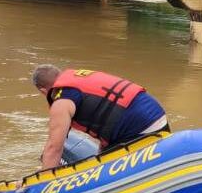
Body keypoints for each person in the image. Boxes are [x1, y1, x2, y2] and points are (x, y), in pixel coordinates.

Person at [31, 65, 170, 169]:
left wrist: (43, 186)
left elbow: (54, 148)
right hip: (159, 118)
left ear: (43, 91)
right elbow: (110, 117)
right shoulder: (80, 77)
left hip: (139, 131)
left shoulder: (61, 101)